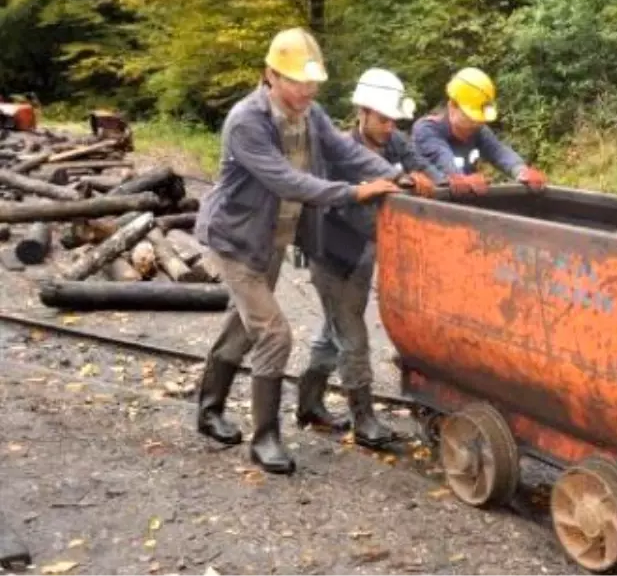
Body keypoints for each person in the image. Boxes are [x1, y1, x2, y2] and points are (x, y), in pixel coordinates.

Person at [193, 27, 405, 476]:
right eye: (297, 82)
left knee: (245, 326)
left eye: (312, 83)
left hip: (272, 240)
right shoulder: (246, 121)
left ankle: (208, 410)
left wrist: (394, 174)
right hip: (236, 240)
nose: (307, 91)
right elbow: (288, 181)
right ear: (271, 75)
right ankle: (264, 437)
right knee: (273, 333)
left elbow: (344, 151)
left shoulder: (312, 113)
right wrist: (355, 192)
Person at [296, 68, 445, 449]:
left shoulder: (395, 142)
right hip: (331, 252)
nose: (389, 126)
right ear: (362, 112)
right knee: (352, 333)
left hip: (363, 253)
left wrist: (437, 182)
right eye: (382, 119)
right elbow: (351, 209)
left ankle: (309, 404)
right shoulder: (338, 151)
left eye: (393, 119)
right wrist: (402, 185)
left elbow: (426, 171)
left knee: (333, 331)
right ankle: (363, 420)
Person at [412, 67, 548, 194]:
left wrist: (521, 171)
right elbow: (445, 163)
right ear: (453, 106)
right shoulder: (427, 129)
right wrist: (460, 177)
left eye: (479, 119)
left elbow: (498, 151)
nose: (476, 123)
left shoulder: (477, 128)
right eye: (471, 117)